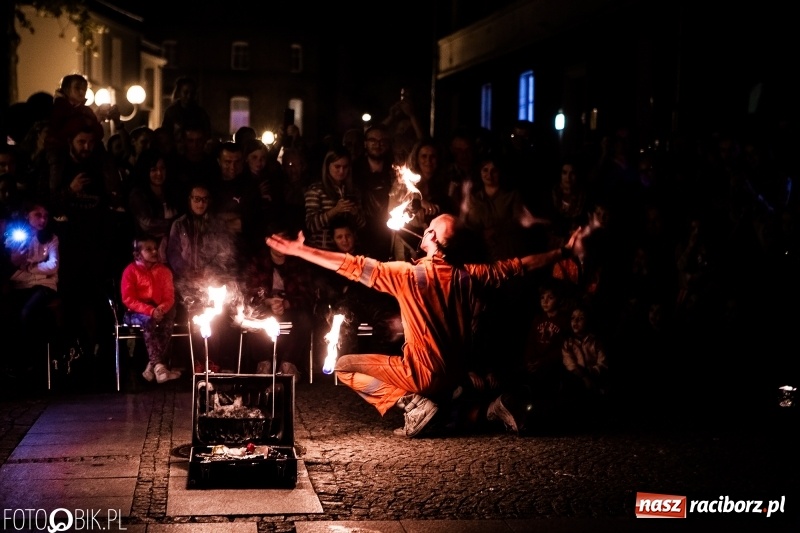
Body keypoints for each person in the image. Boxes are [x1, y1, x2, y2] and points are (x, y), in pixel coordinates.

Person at [265, 213, 581, 438]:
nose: (425, 230)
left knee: (345, 366)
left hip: (422, 375)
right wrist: (562, 251)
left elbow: (350, 265)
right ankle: (489, 408)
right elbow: (517, 267)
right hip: (456, 374)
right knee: (451, 415)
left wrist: (300, 250)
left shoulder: (407, 275)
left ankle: (410, 403)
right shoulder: (468, 275)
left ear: (431, 239)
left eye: (430, 228)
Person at [3, 201, 63, 377]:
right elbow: (13, 271)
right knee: (11, 315)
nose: (43, 219)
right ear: (27, 216)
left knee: (27, 312)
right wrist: (36, 269)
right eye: (38, 215)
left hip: (45, 286)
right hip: (22, 285)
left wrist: (29, 267)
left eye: (45, 216)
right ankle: (19, 362)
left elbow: (53, 266)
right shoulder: (16, 237)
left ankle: (31, 362)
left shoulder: (51, 238)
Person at [120, 236, 182, 384]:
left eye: (155, 248)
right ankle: (160, 366)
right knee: (148, 320)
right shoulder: (130, 271)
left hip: (158, 311)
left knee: (168, 321)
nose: (155, 251)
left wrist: (160, 309)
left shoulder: (164, 271)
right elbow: (128, 299)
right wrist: (150, 311)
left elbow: (169, 296)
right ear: (138, 254)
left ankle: (152, 366)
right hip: (135, 313)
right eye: (149, 249)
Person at [304, 145, 366, 251]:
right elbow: (311, 225)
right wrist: (334, 211)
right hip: (323, 250)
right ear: (328, 166)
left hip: (349, 252)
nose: (341, 171)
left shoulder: (353, 191)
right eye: (337, 167)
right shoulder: (316, 190)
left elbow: (362, 225)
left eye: (345, 167)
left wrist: (355, 213)